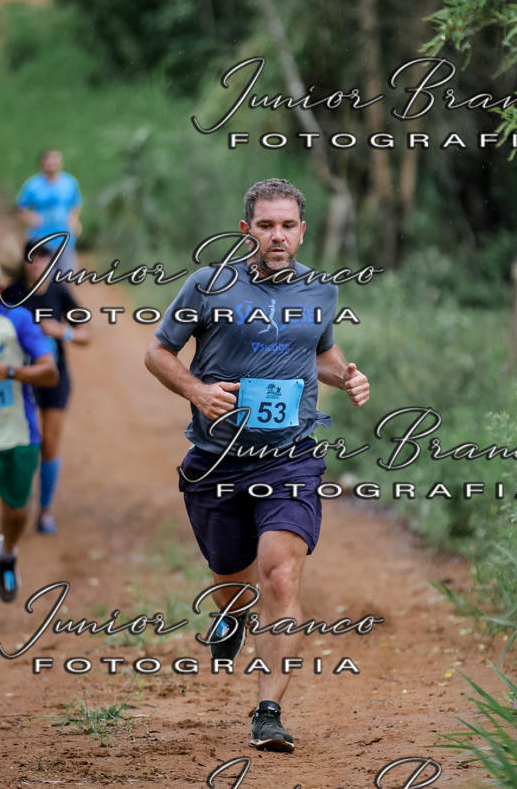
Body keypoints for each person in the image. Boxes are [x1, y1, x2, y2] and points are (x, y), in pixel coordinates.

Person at [145, 178, 370, 752]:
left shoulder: (319, 291)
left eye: (287, 225)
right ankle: (230, 617)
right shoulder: (208, 284)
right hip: (216, 459)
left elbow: (319, 350)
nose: (277, 235)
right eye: (266, 225)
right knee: (231, 578)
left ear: (302, 231)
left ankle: (268, 710)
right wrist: (196, 392)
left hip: (290, 456)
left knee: (280, 573)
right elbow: (157, 353)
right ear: (247, 229)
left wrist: (347, 375)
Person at [3, 241, 90, 534]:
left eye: (42, 259)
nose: (37, 264)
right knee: (25, 441)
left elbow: (85, 335)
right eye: (32, 259)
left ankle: (46, 511)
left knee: (50, 444)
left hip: (55, 376)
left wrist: (61, 330)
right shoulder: (12, 292)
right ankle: (18, 502)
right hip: (20, 379)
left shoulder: (59, 292)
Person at [0, 258, 58, 610]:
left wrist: (10, 371)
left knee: (16, 514)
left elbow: (51, 373)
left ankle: (6, 553)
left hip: (18, 435)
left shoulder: (17, 321)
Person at [16, 149, 82, 275]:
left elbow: (76, 205)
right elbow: (20, 209)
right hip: (40, 239)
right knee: (42, 277)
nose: (52, 167)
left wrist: (74, 220)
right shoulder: (33, 185)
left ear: (60, 164)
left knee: (67, 277)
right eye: (49, 164)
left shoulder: (70, 182)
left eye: (55, 164)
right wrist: (30, 218)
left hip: (65, 239)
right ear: (42, 165)